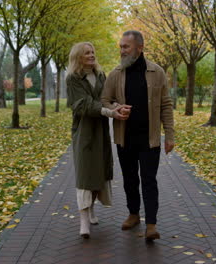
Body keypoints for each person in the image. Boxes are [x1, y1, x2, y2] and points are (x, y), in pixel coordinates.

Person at [101, 30, 175, 241]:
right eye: (121, 46)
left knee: (149, 179)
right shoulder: (115, 73)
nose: (122, 50)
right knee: (130, 179)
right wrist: (117, 108)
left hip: (149, 138)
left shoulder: (157, 72)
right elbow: (105, 100)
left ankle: (151, 224)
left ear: (140, 48)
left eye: (126, 46)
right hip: (125, 138)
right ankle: (133, 214)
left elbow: (166, 105)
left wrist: (169, 135)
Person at [66, 42, 130, 239]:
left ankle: (92, 208)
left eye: (93, 52)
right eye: (87, 53)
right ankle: (84, 221)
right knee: (85, 175)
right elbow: (82, 105)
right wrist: (108, 112)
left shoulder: (101, 75)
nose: (92, 55)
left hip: (101, 132)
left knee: (99, 174)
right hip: (84, 132)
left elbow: (105, 98)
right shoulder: (72, 79)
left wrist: (116, 106)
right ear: (78, 57)